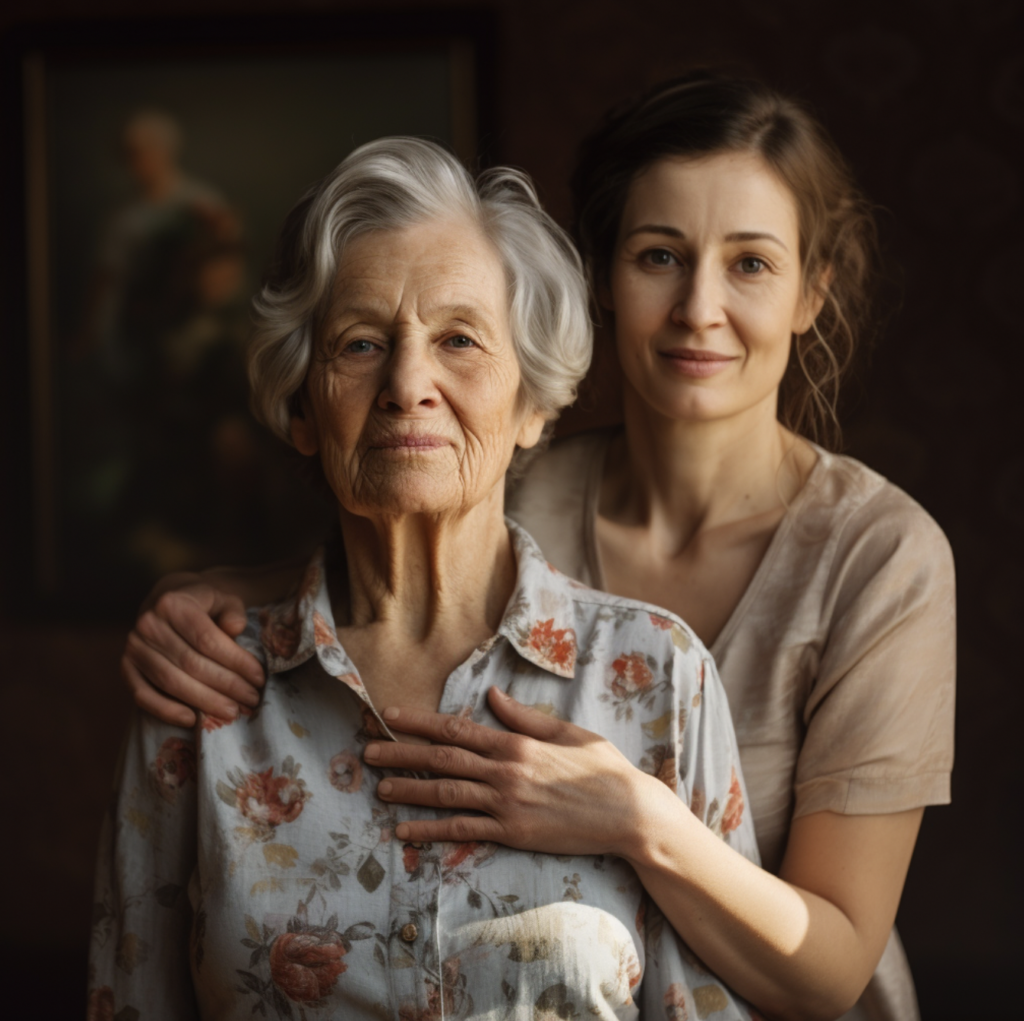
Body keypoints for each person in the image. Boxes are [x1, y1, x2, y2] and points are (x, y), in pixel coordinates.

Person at [120, 74, 955, 1021]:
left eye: (752, 263)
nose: (698, 307)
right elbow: (398, 535)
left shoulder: (879, 560)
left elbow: (828, 968)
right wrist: (205, 598)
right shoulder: (518, 481)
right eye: (659, 255)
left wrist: (635, 818)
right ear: (604, 279)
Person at [89, 136, 761, 1020]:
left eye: (459, 339)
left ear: (531, 406)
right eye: (361, 344)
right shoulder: (202, 690)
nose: (409, 383)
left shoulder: (656, 678)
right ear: (302, 408)